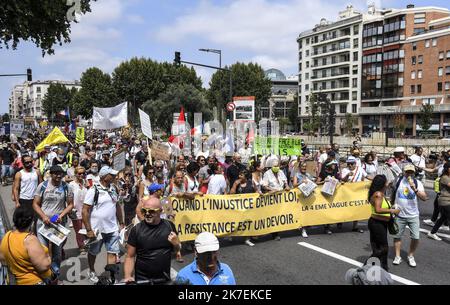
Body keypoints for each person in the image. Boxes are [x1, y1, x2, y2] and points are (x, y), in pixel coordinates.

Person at [82, 166, 124, 284]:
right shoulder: (93, 190)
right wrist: (88, 229)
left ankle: (111, 276)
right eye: (112, 175)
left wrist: (121, 222)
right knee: (94, 252)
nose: (115, 177)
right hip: (97, 230)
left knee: (112, 252)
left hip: (112, 228)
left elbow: (117, 206)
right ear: (105, 177)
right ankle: (91, 270)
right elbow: (85, 210)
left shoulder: (113, 189)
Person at [123, 197, 179, 284]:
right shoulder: (136, 230)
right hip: (143, 280)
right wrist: (128, 276)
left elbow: (176, 250)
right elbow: (130, 256)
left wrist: (176, 244)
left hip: (164, 279)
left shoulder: (169, 226)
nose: (147, 214)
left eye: (152, 211)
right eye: (144, 211)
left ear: (160, 211)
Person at [33, 165, 74, 278]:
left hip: (58, 224)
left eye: (60, 173)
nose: (58, 175)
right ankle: (44, 274)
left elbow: (70, 204)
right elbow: (35, 204)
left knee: (57, 252)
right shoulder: (43, 186)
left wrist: (61, 215)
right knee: (43, 250)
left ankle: (55, 273)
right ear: (51, 174)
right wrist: (44, 217)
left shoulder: (66, 186)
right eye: (55, 173)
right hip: (43, 224)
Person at [0, 206, 53, 285]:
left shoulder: (7, 236)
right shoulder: (30, 240)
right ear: (31, 222)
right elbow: (44, 267)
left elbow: (3, 260)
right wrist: (49, 252)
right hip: (34, 281)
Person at [392, 164, 428, 267]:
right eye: (407, 172)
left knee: (416, 237)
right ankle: (398, 256)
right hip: (399, 214)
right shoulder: (398, 181)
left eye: (411, 172)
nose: (409, 174)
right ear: (404, 172)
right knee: (397, 236)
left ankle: (410, 255)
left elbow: (424, 198)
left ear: (414, 173)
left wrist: (415, 188)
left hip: (413, 215)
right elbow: (392, 193)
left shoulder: (418, 183)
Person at [368, 175, 400, 271]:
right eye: (386, 181)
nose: (387, 183)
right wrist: (392, 211)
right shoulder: (378, 194)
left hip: (380, 223)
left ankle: (383, 268)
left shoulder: (381, 193)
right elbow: (378, 209)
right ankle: (367, 265)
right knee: (383, 248)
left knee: (378, 247)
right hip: (377, 224)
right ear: (382, 183)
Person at [230, 169, 258, 247]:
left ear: (245, 177)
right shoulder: (236, 183)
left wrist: (259, 194)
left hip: (249, 207)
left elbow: (256, 191)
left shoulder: (251, 182)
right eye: (239, 175)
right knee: (237, 221)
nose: (239, 176)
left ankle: (247, 239)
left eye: (241, 175)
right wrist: (235, 185)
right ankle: (233, 235)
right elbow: (231, 193)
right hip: (238, 207)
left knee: (248, 222)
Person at [428, 163, 450, 241]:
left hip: (447, 201)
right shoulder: (445, 178)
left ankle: (432, 233)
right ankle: (432, 233)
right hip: (445, 201)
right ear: (447, 169)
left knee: (443, 218)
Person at [292, 161, 315, 238]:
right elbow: (294, 185)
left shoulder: (308, 175)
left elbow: (313, 183)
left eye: (305, 166)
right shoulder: (297, 175)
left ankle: (303, 226)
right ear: (299, 167)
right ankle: (303, 229)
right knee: (301, 213)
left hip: (307, 196)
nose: (304, 168)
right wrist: (301, 182)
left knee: (307, 212)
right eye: (302, 166)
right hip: (299, 197)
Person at [69, 166, 88, 253]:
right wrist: (70, 210)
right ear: (76, 174)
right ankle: (81, 246)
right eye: (79, 173)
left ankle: (86, 243)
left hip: (86, 210)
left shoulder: (86, 183)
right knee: (79, 230)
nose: (82, 175)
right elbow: (69, 199)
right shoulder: (71, 185)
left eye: (83, 173)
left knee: (87, 228)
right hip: (76, 211)